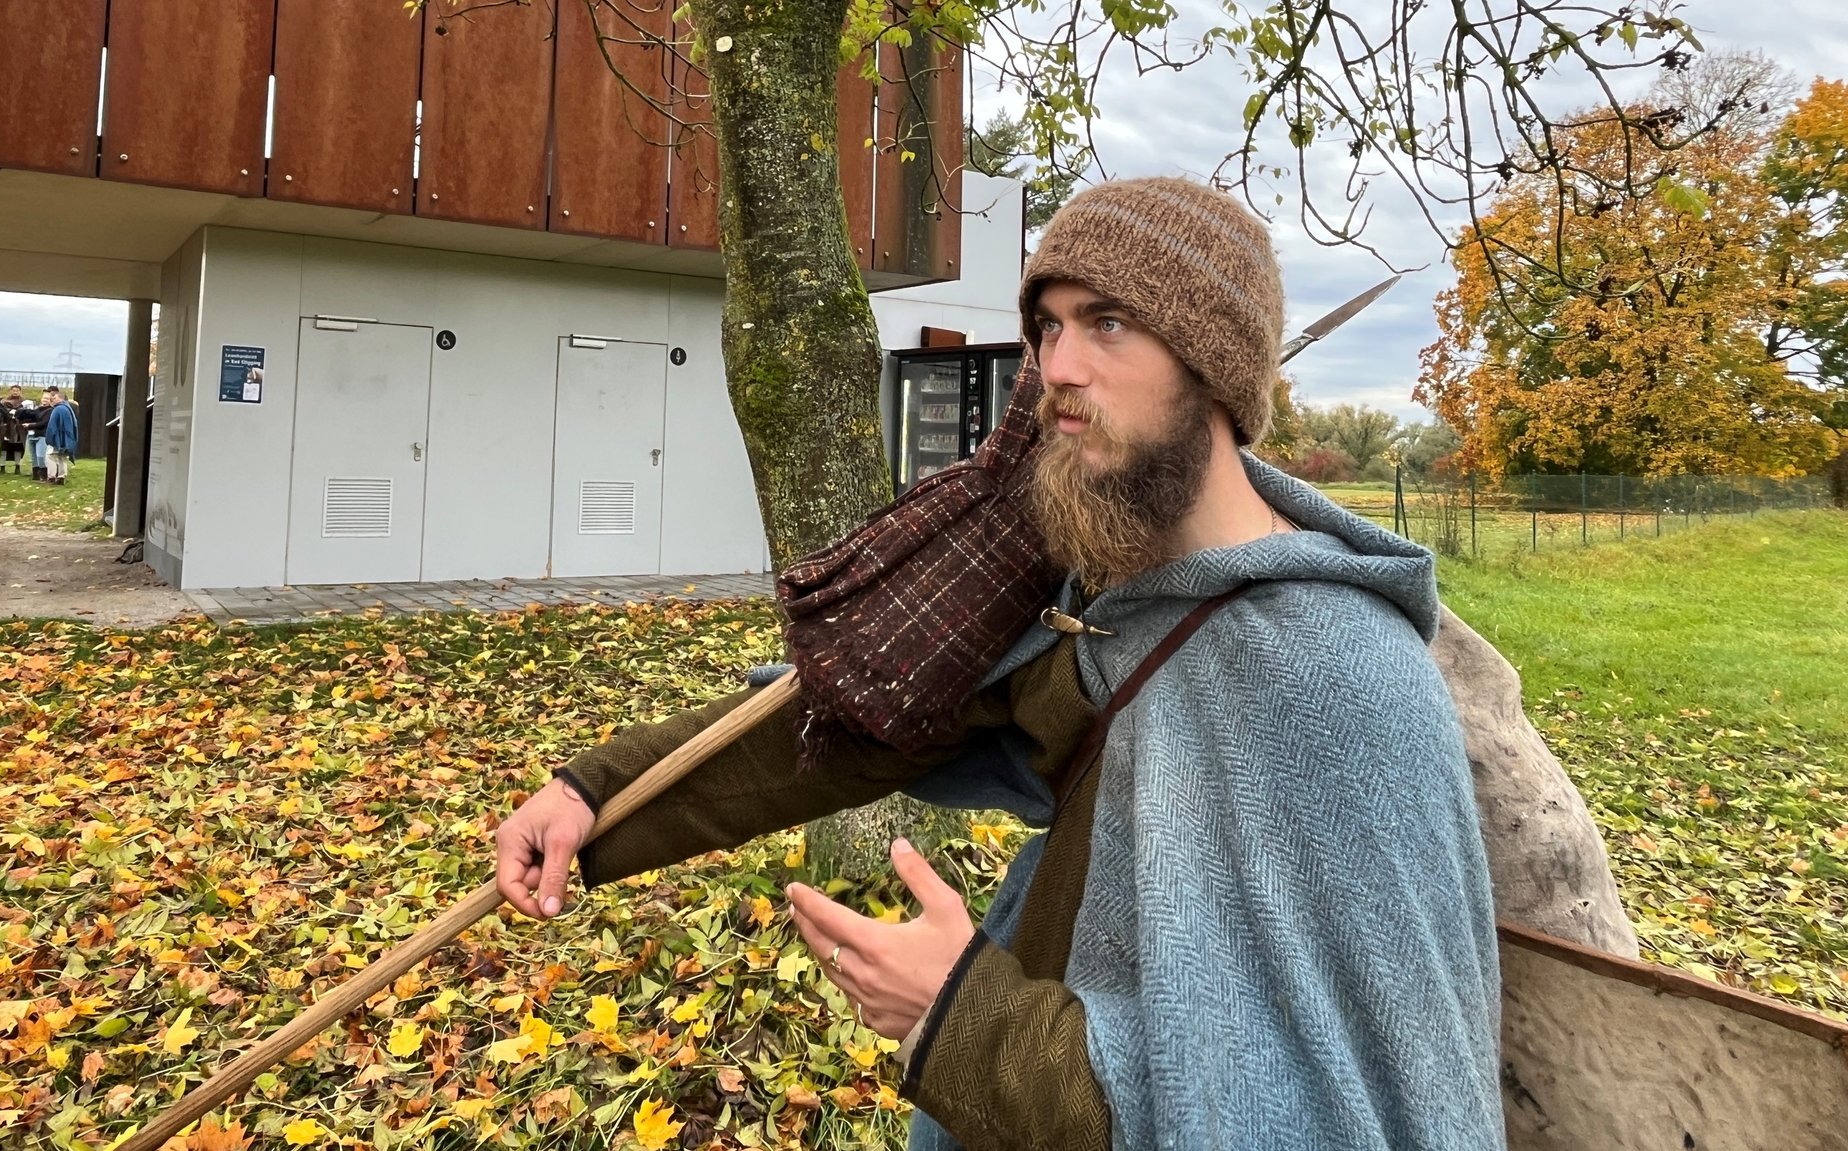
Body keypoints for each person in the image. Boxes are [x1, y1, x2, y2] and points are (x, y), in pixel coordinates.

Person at [494, 178, 1503, 1151]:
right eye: (1048, 326)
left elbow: (1331, 1116)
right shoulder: (1112, 597)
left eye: (1106, 323)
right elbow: (859, 724)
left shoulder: (1338, 680)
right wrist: (595, 797)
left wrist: (956, 1014)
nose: (1056, 367)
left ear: (1210, 365)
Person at [42, 386, 78, 486]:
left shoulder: (58, 409)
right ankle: (62, 477)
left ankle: (51, 477)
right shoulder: (68, 408)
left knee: (51, 457)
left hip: (57, 439)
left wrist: (49, 439)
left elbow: (52, 426)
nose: (52, 400)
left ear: (60, 398)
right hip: (66, 439)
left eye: (54, 398)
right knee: (62, 458)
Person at [0, 388, 28, 474]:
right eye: (13, 390)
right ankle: (2, 467)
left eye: (17, 390)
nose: (15, 392)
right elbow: (0, 415)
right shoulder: (4, 402)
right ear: (10, 391)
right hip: (6, 429)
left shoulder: (24, 403)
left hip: (19, 429)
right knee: (4, 448)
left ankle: (17, 467)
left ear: (20, 392)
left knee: (18, 448)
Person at [26, 389, 51, 481]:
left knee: (41, 456)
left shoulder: (50, 411)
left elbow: (44, 423)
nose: (45, 400)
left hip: (42, 435)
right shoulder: (37, 409)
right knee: (33, 456)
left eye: (48, 399)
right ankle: (35, 474)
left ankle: (43, 475)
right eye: (44, 398)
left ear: (50, 400)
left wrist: (30, 425)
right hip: (32, 434)